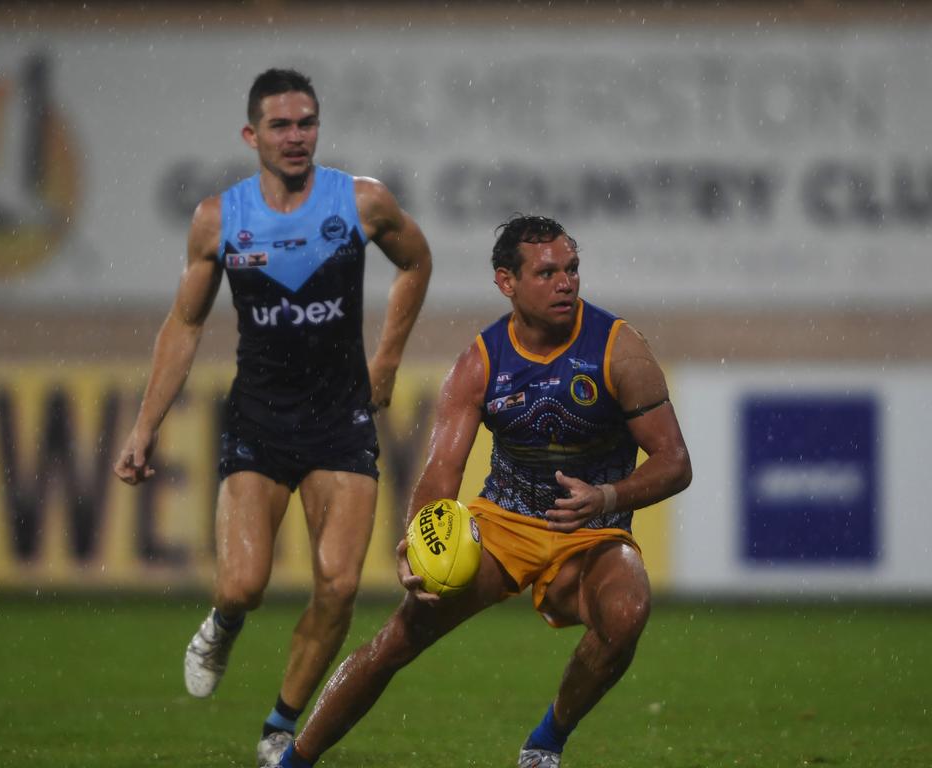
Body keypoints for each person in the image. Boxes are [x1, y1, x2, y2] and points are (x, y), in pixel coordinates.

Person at [269, 214, 692, 768]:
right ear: (505, 282)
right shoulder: (480, 363)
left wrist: (608, 498)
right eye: (546, 273)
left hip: (591, 529)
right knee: (398, 638)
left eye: (571, 269)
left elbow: (675, 463)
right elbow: (441, 475)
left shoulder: (620, 350)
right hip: (504, 524)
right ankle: (294, 760)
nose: (565, 283)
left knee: (628, 611)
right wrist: (417, 543)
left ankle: (545, 742)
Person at [113, 68, 432, 767]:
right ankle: (225, 621)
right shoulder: (219, 219)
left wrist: (387, 359)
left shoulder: (362, 202)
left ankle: (279, 724)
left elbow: (416, 262)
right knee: (243, 584)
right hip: (258, 417)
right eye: (282, 126)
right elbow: (185, 324)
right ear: (251, 135)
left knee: (341, 584)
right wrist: (145, 428)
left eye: (308, 122)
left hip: (339, 417)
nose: (297, 137)